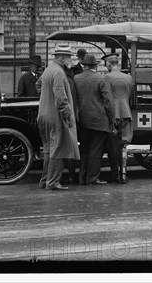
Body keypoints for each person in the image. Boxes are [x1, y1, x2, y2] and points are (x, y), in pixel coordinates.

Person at [35, 44, 80, 190]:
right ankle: (53, 182)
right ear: (62, 58)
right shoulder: (59, 72)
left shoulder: (49, 69)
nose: (70, 60)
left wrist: (45, 97)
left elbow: (38, 84)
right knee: (58, 148)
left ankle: (45, 180)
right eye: (68, 57)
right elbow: (61, 98)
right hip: (55, 116)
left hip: (43, 114)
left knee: (48, 149)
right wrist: (67, 115)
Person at [73, 54, 115, 185]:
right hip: (99, 121)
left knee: (84, 150)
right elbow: (108, 101)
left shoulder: (76, 78)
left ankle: (82, 177)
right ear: (95, 66)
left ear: (84, 66)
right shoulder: (101, 78)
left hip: (82, 121)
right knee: (96, 151)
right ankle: (93, 178)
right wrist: (111, 119)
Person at [103, 52, 134, 184]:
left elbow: (105, 98)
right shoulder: (128, 78)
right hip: (126, 113)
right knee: (124, 145)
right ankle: (124, 174)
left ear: (109, 64)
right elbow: (130, 96)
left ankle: (114, 175)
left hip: (112, 115)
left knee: (112, 146)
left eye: (106, 64)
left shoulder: (106, 78)